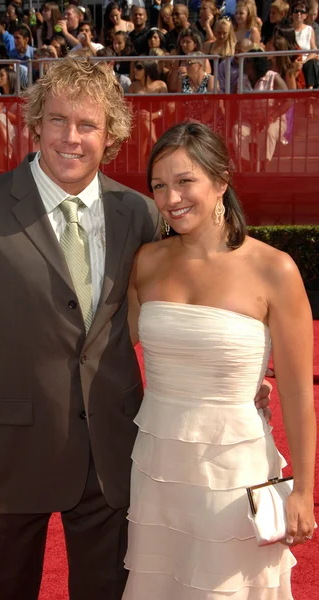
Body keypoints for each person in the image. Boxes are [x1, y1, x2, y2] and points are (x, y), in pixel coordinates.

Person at [0, 55, 271, 600]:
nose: (71, 138)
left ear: (110, 137)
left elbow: (172, 305)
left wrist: (235, 375)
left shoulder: (137, 212)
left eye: (88, 125)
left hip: (114, 456)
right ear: (35, 123)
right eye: (58, 120)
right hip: (3, 462)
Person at [124, 120, 316, 600]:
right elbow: (108, 349)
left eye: (185, 181)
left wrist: (304, 490)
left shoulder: (275, 269)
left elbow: (295, 392)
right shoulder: (146, 261)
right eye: (159, 186)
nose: (171, 198)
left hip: (236, 471)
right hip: (157, 467)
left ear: (222, 181)